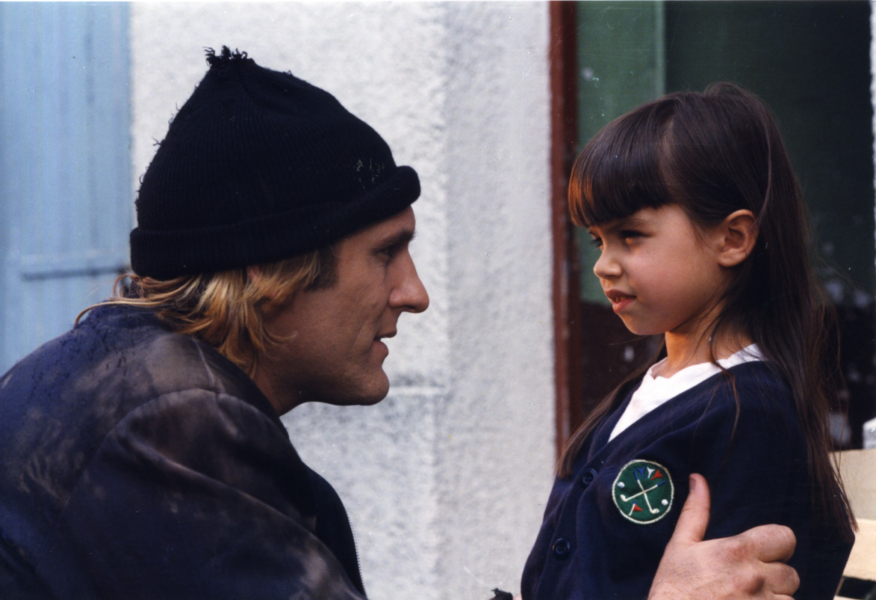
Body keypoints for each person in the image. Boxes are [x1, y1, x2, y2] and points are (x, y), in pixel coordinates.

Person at [0, 49, 799, 599]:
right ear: (270, 272)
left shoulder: (126, 384)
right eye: (386, 253)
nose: (414, 294)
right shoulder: (167, 419)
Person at [520, 84, 855, 600]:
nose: (603, 265)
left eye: (631, 235)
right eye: (598, 240)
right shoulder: (652, 390)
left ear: (732, 239)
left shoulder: (751, 414)